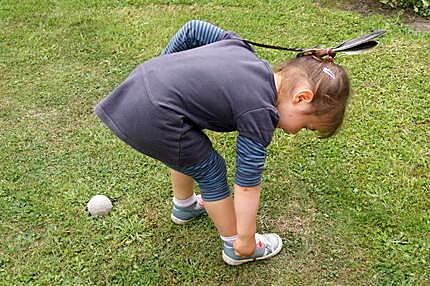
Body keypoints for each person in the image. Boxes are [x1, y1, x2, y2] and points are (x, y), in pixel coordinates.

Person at [94, 20, 351, 265]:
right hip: (154, 115)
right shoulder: (260, 112)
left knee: (189, 151)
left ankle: (184, 206)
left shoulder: (242, 50)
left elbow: (193, 29)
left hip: (141, 85)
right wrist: (246, 238)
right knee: (211, 169)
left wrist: (163, 67)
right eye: (306, 126)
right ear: (301, 98)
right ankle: (236, 248)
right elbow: (247, 185)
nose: (295, 133)